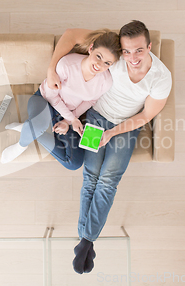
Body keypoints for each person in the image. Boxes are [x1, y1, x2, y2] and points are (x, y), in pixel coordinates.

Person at [46, 21, 172, 274]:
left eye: (138, 50)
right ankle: (86, 241)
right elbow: (71, 34)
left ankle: (86, 240)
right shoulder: (113, 57)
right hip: (95, 118)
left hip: (126, 126)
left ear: (149, 46)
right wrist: (51, 70)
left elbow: (146, 115)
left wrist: (112, 133)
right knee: (91, 176)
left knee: (109, 180)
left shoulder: (161, 77)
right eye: (126, 52)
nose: (132, 57)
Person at [1, 30, 121, 171]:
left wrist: (67, 121)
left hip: (66, 115)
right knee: (39, 125)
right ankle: (21, 145)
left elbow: (90, 102)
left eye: (107, 63)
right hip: (45, 101)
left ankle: (29, 130)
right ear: (91, 48)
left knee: (74, 163)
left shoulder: (105, 81)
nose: (99, 65)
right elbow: (52, 96)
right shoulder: (67, 65)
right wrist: (72, 119)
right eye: (98, 56)